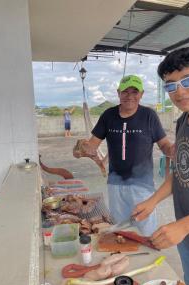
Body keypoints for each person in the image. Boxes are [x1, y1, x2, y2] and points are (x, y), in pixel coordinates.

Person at [132, 47, 189, 285]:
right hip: (188, 239)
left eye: (188, 80)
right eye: (171, 85)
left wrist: (183, 226)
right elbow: (180, 172)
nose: (179, 91)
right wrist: (152, 201)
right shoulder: (182, 122)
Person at [74, 75, 173, 235]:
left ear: (141, 94)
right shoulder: (108, 115)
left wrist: (172, 150)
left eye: (135, 92)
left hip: (143, 185)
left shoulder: (149, 115)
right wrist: (81, 149)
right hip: (116, 184)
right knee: (119, 229)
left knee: (146, 230)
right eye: (125, 91)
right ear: (118, 93)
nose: (130, 96)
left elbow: (164, 145)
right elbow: (92, 145)